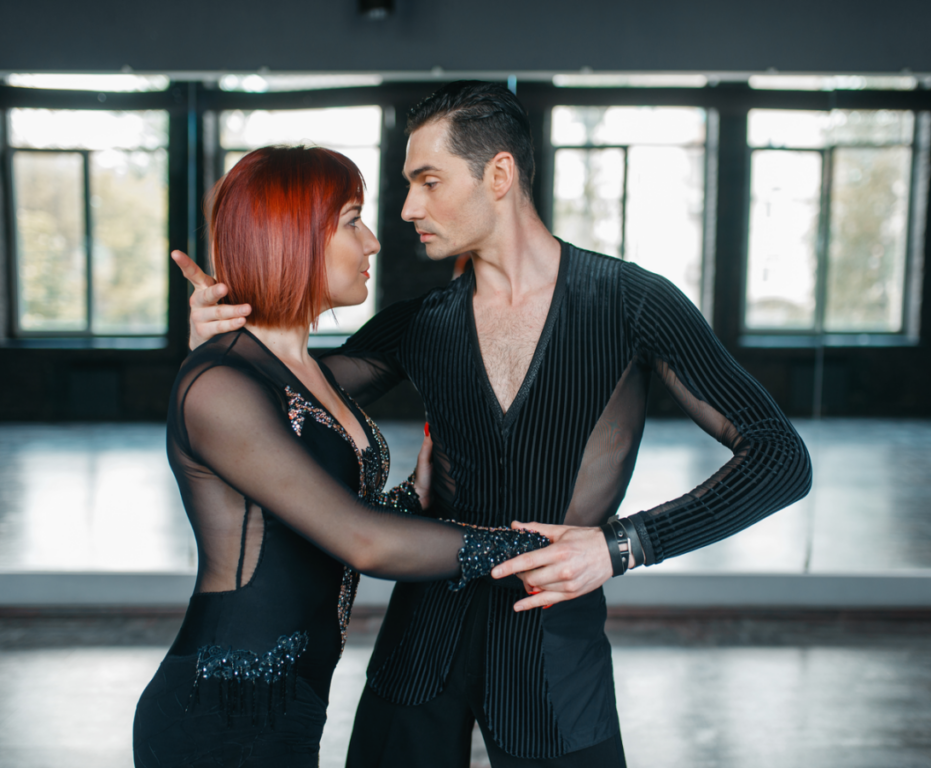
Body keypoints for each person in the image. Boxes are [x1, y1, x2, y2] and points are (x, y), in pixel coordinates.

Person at [176, 81, 813, 768]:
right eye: (407, 184)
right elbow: (274, 396)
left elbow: (779, 457)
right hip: (418, 656)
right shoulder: (418, 324)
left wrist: (622, 547)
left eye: (429, 181)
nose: (408, 208)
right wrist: (221, 342)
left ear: (499, 175)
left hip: (556, 662)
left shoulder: (634, 304)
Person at [134, 145, 549, 768]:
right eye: (353, 220)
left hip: (292, 705)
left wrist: (412, 494)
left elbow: (320, 520)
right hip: (223, 710)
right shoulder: (218, 382)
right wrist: (538, 549)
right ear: (292, 236)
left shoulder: (305, 372)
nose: (374, 241)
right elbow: (364, 542)